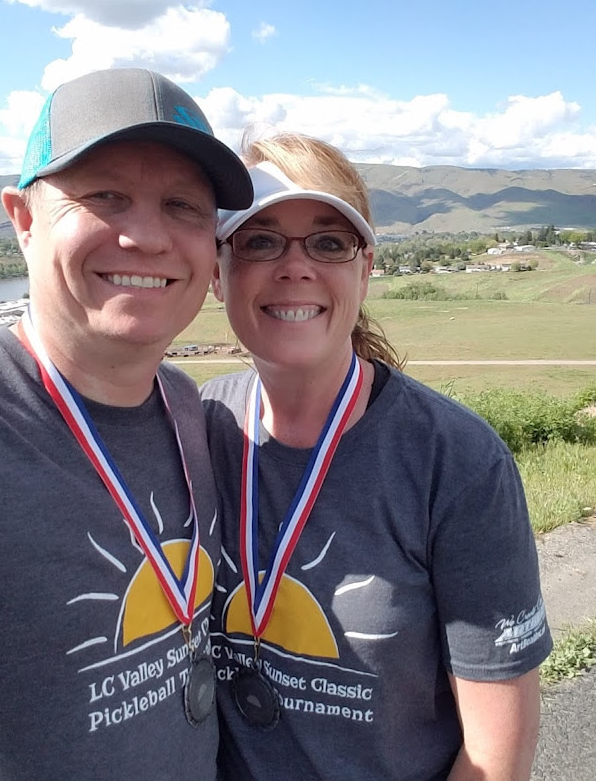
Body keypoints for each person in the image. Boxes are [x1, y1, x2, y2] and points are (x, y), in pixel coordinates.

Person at [0, 67, 253, 780]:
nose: (147, 237)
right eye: (106, 196)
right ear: (22, 218)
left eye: (184, 206)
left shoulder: (185, 408)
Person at [201, 132, 552, 780]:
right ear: (218, 272)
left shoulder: (454, 460)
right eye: (259, 239)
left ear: (364, 269)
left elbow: (496, 755)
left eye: (329, 242)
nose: (295, 265)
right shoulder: (197, 428)